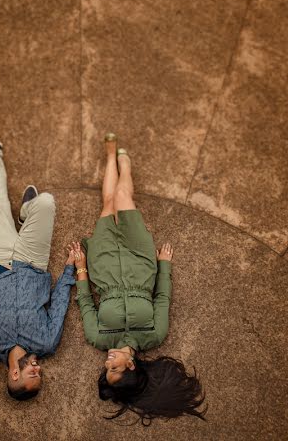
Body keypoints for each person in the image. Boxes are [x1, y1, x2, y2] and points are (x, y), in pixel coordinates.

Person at [72, 133, 206, 424]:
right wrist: (165, 266)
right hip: (142, 265)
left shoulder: (96, 337)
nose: (108, 364)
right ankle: (124, 162)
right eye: (115, 369)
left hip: (103, 265)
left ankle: (110, 157)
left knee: (108, 203)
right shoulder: (155, 335)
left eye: (107, 371)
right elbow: (162, 298)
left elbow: (85, 301)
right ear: (131, 365)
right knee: (123, 199)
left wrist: (81, 266)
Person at [0, 133, 76, 401]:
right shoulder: (46, 343)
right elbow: (59, 305)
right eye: (39, 374)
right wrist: (69, 269)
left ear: (14, 375)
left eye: (32, 374)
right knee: (46, 202)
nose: (38, 368)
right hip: (33, 262)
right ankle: (27, 212)